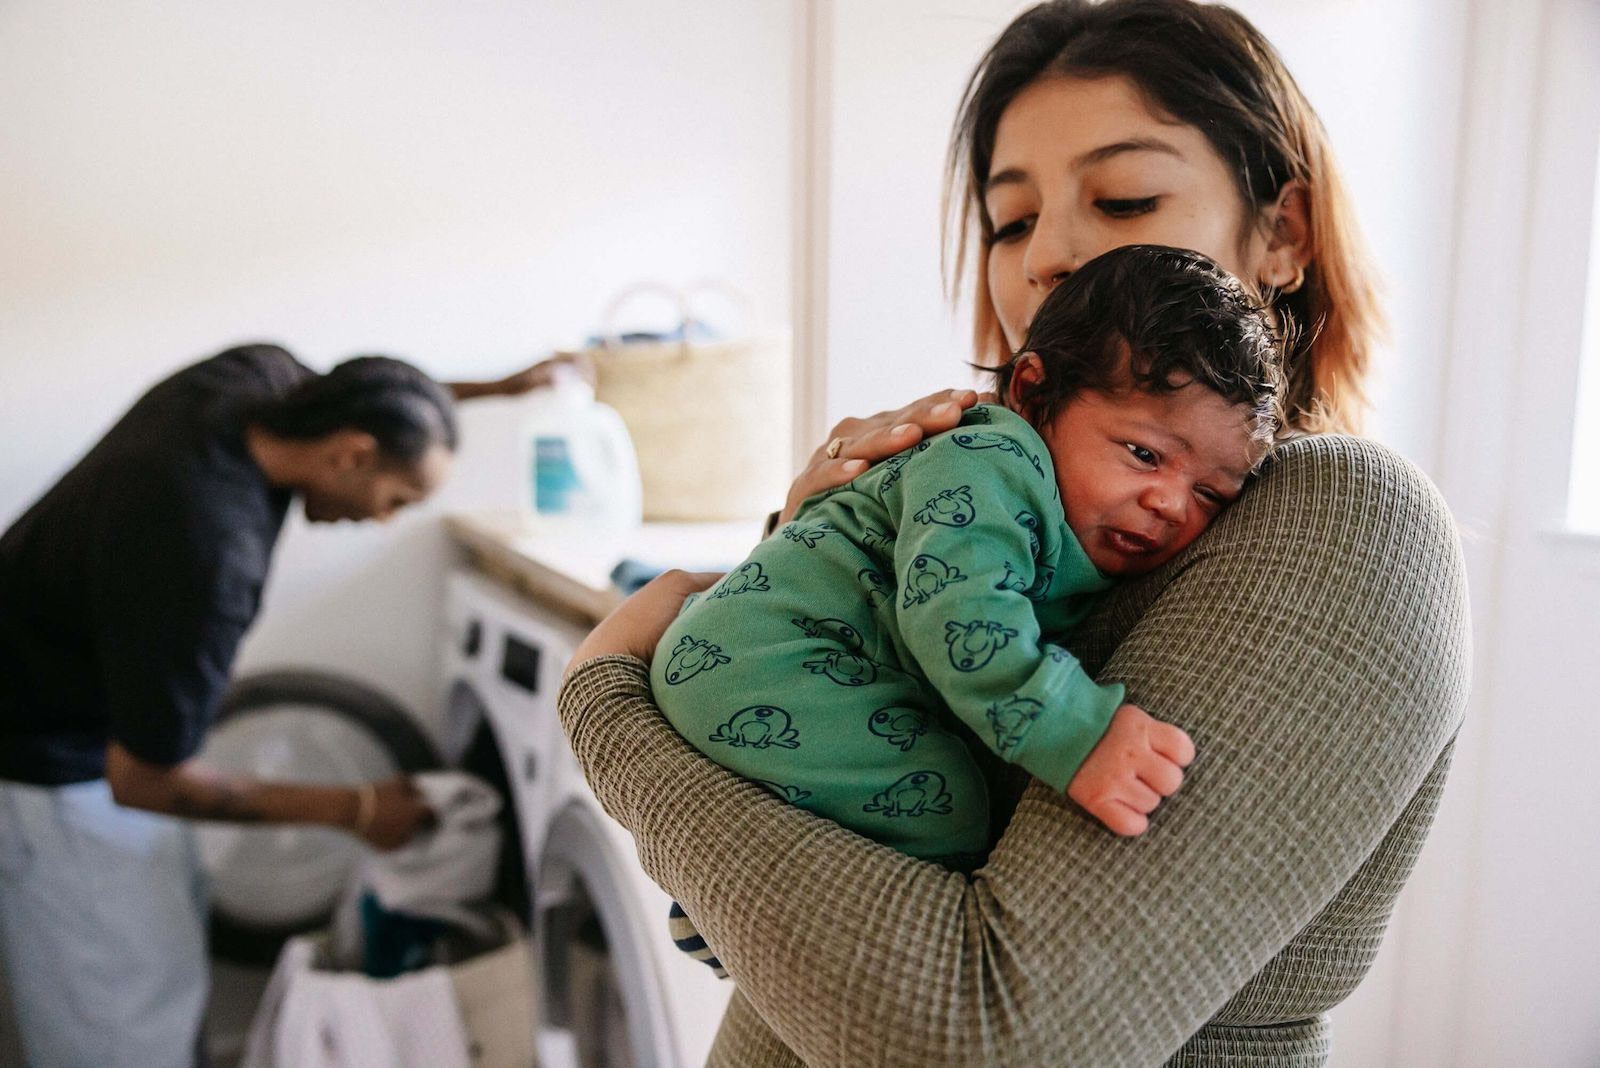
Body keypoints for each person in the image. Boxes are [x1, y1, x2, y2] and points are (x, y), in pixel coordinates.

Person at [557, 1, 1470, 1065]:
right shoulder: (1019, 485)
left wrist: (607, 715)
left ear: (1285, 233)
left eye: (1123, 198)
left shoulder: (1345, 520)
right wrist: (803, 544)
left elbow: (987, 1040)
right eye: (1010, 221)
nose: (1050, 255)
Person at [655, 245, 1282, 973]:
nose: (1170, 504)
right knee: (945, 805)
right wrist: (1077, 731)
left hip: (759, 658)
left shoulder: (1081, 511)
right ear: (1035, 395)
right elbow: (958, 615)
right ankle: (780, 931)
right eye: (1144, 454)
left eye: (1209, 494)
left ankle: (728, 905)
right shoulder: (992, 460)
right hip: (765, 658)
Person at [0, 341, 565, 1067]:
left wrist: (497, 387)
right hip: (45, 763)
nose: (385, 520)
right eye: (396, 500)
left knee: (157, 977)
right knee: (121, 1025)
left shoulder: (255, 378)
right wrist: (361, 809)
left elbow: (371, 398)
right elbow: (144, 781)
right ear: (351, 456)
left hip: (63, 696)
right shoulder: (206, 554)